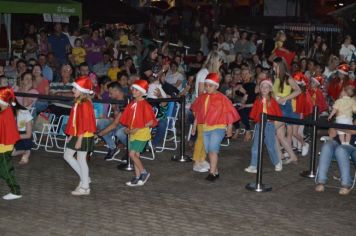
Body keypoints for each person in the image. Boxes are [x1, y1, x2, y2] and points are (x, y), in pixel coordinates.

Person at [191, 73, 240, 181]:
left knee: (213, 149)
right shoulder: (202, 97)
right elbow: (199, 112)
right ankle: (215, 170)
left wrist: (230, 127)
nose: (208, 88)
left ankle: (212, 173)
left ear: (216, 86)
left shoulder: (222, 98)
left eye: (210, 85)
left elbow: (229, 112)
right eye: (206, 85)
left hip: (218, 127)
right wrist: (195, 125)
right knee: (209, 150)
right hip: (205, 128)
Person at [119, 79, 158, 187]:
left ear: (141, 92)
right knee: (136, 155)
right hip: (133, 133)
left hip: (141, 134)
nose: (133, 91)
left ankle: (144, 173)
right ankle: (137, 177)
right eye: (133, 89)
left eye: (136, 90)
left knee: (132, 154)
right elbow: (129, 119)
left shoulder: (145, 105)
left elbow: (151, 121)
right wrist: (128, 128)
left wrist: (138, 128)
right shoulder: (132, 104)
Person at [63, 76, 96, 196]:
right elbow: (75, 121)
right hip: (79, 133)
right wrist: (72, 134)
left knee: (80, 159)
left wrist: (79, 138)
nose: (73, 90)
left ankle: (85, 186)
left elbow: (85, 122)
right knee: (68, 155)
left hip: (84, 134)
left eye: (75, 88)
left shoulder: (85, 104)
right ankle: (85, 178)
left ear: (82, 90)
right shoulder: (79, 102)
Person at [245, 78, 283, 173]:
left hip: (270, 125)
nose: (264, 89)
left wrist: (275, 126)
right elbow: (254, 113)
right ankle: (254, 165)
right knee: (256, 146)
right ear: (259, 88)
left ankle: (277, 162)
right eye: (262, 86)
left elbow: (279, 115)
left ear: (270, 89)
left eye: (267, 87)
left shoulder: (273, 101)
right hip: (259, 125)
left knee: (270, 146)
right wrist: (253, 121)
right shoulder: (257, 100)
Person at [315, 128, 356, 195]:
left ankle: (346, 184)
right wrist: (333, 128)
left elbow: (353, 131)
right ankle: (321, 181)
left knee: (341, 149)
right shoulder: (337, 117)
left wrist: (339, 127)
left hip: (352, 145)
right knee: (326, 146)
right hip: (337, 142)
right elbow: (332, 132)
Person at [0, 87, 22, 200]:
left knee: (5, 170)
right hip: (4, 145)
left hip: (4, 147)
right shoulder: (6, 111)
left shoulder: (4, 114)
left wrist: (11, 145)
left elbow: (6, 132)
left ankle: (16, 191)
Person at [96, 82, 127, 160]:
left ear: (117, 91)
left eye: (110, 93)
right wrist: (111, 117)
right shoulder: (115, 100)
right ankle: (113, 147)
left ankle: (131, 150)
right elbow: (116, 118)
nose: (109, 95)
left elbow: (115, 124)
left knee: (119, 132)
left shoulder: (126, 101)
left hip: (128, 127)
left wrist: (98, 134)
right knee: (101, 122)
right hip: (118, 124)